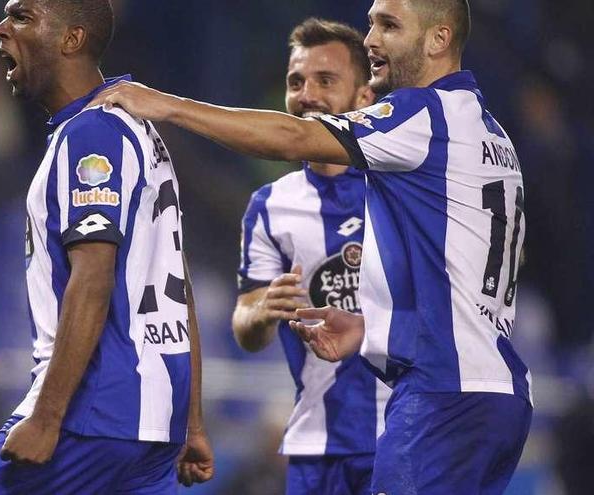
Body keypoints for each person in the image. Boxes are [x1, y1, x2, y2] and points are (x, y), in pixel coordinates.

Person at [91, 0, 531, 493]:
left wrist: (166, 105)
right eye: (370, 24)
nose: (371, 39)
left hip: (442, 396)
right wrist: (371, 330)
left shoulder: (424, 114)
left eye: (389, 25)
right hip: (496, 392)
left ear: (438, 39)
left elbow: (290, 136)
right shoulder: (491, 132)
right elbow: (465, 282)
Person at [0, 0, 214, 493]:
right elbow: (176, 285)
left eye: (21, 16)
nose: (0, 29)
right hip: (154, 420)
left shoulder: (92, 134)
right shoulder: (138, 130)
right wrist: (193, 421)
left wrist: (47, 417)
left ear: (71, 39)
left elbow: (93, 276)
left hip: (95, 409)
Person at [232, 18, 390, 495]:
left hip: (401, 435)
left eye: (325, 80)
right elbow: (246, 328)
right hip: (316, 447)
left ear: (364, 97)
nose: (307, 94)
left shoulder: (399, 189)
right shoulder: (268, 205)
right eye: (296, 82)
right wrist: (262, 310)